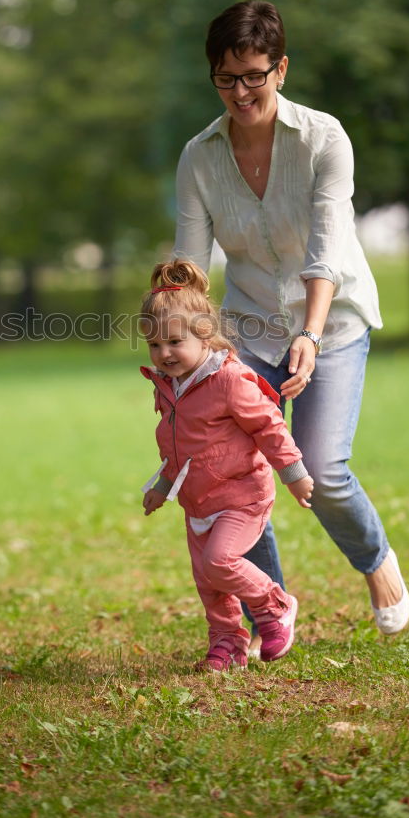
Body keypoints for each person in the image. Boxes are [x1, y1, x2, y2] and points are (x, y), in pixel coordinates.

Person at [172, 0, 409, 637]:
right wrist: (182, 344)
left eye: (254, 75)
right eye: (227, 78)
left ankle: (376, 560)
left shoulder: (324, 138)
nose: (241, 91)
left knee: (322, 466)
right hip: (247, 328)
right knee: (228, 473)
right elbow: (191, 263)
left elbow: (325, 248)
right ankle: (268, 611)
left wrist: (308, 331)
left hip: (330, 323)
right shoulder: (200, 156)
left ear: (281, 70)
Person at [139, 259, 314, 670]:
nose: (164, 354)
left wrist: (295, 475)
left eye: (175, 343)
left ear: (205, 338)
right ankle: (227, 643)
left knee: (220, 562)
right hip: (199, 501)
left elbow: (270, 425)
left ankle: (276, 606)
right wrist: (162, 488)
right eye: (154, 345)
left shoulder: (229, 380)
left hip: (241, 495)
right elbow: (181, 448)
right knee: (209, 580)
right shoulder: (171, 387)